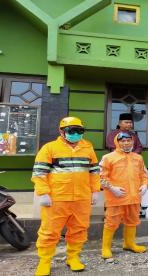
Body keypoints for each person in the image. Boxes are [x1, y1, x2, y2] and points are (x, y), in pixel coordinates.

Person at [32, 117, 100, 275]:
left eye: (79, 131)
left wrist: (95, 190)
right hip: (57, 199)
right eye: (71, 131)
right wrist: (43, 193)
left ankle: (73, 257)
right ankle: (44, 261)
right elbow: (39, 172)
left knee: (79, 229)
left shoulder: (88, 148)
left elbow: (94, 172)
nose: (75, 134)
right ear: (61, 132)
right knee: (49, 231)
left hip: (81, 198)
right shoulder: (49, 148)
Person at [100, 132, 148, 261]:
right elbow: (100, 176)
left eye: (129, 140)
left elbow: (144, 174)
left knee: (132, 221)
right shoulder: (108, 157)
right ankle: (105, 248)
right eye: (123, 141)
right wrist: (112, 188)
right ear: (117, 142)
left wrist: (145, 185)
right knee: (111, 222)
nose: (126, 143)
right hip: (116, 197)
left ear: (132, 142)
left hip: (134, 196)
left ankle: (129, 244)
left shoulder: (138, 158)